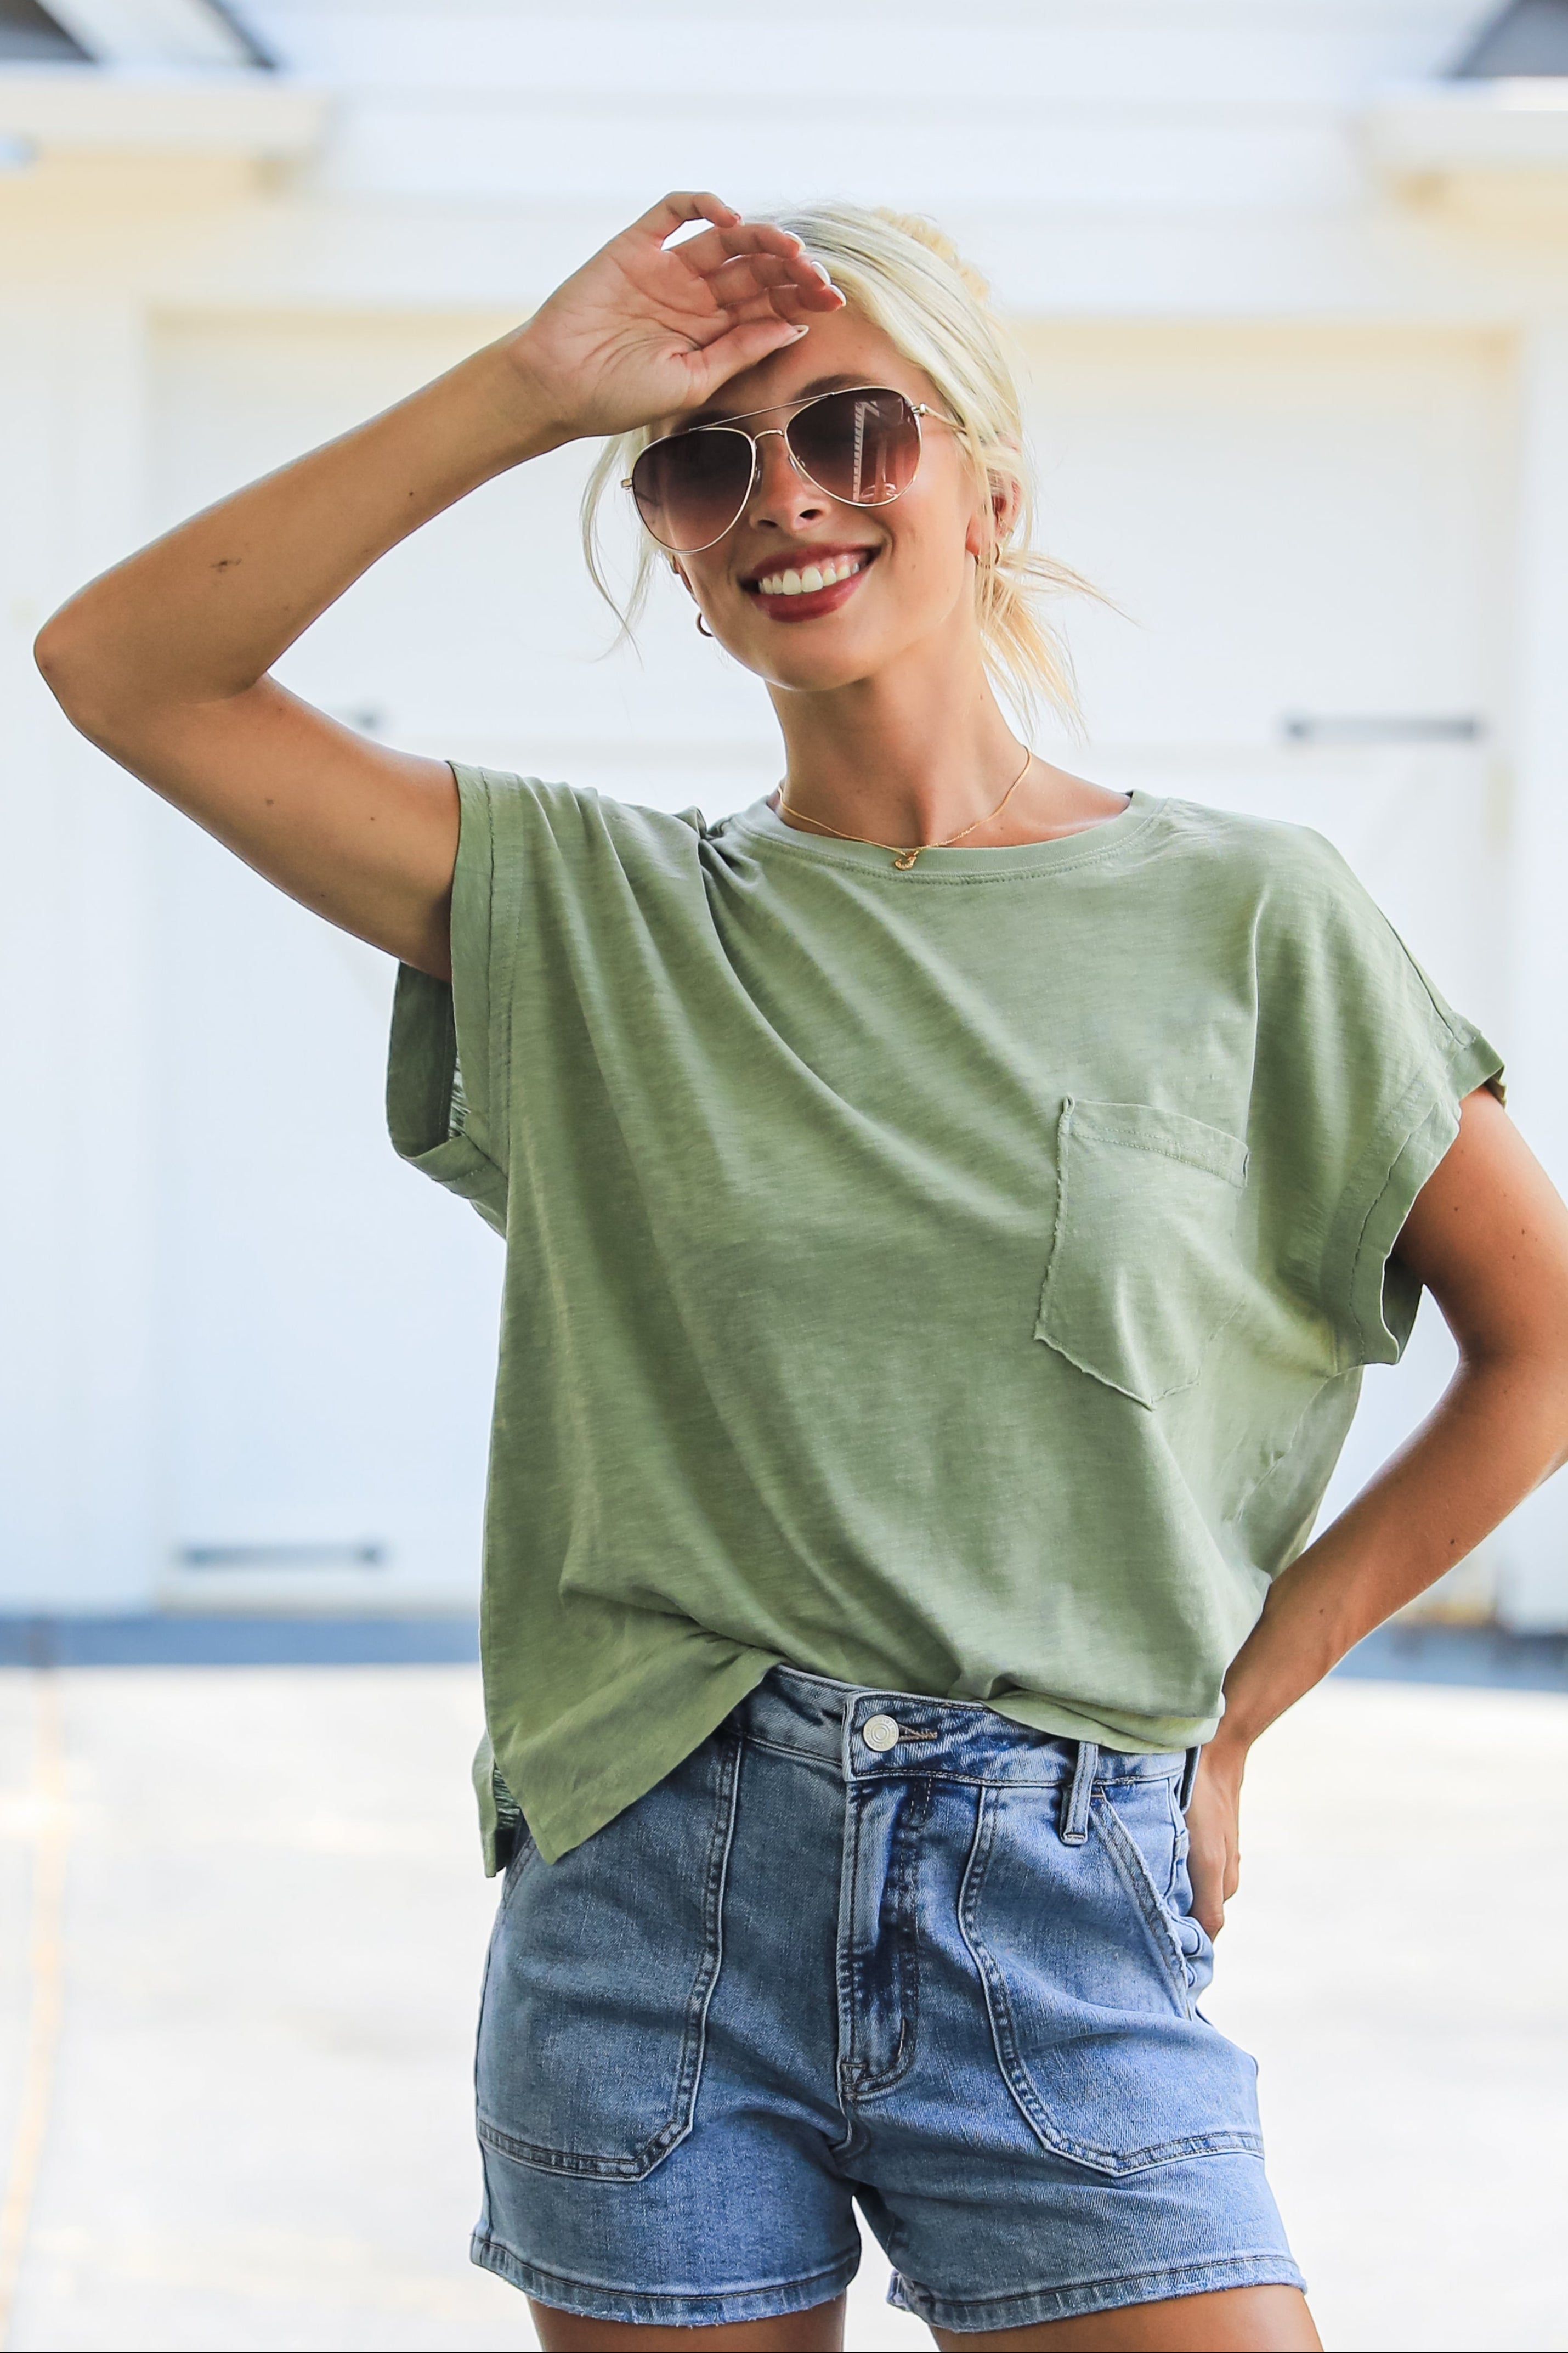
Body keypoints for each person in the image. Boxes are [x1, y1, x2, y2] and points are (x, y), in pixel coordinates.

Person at [35, 191, 1568, 2353]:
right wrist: (527, 394)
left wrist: (1241, 1705)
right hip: (658, 1875)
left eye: (857, 428)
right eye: (706, 460)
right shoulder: (589, 914)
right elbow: (123, 664)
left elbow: (1543, 1337)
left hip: (1054, 1881)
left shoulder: (1249, 915)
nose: (788, 498)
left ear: (993, 489)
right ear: (668, 538)